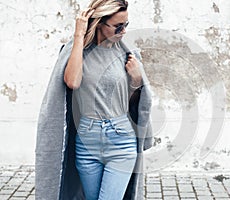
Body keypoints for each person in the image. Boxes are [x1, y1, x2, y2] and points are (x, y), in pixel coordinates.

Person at [35, 0, 153, 199]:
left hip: (121, 141)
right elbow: (72, 81)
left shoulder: (127, 54)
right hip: (87, 143)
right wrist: (79, 34)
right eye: (118, 26)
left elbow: (132, 104)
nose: (123, 31)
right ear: (100, 23)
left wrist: (137, 80)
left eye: (126, 25)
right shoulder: (76, 52)